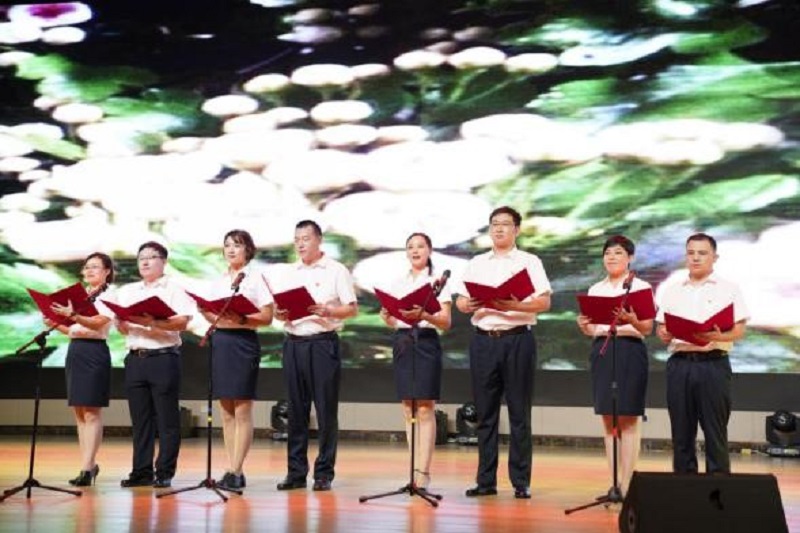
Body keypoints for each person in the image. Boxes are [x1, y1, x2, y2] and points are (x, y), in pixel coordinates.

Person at [455, 206, 552, 500]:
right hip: (484, 340)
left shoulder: (529, 261)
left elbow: (544, 302)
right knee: (485, 413)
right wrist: (466, 304)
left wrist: (513, 305)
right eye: (494, 224)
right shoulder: (476, 262)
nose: (498, 229)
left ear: (517, 230)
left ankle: (521, 481)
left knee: (519, 412)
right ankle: (485, 481)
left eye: (505, 224)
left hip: (517, 339)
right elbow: (460, 301)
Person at [271, 220, 357, 492]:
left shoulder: (336, 270)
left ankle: (323, 473)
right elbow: (278, 311)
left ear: (319, 240)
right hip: (294, 342)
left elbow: (351, 308)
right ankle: (295, 472)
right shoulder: (288, 272)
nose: (300, 244)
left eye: (306, 238)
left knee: (325, 410)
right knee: (296, 410)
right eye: (297, 239)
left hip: (322, 344)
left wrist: (329, 311)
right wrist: (279, 313)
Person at [656, 233, 748, 474]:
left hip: (713, 364)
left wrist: (718, 336)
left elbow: (739, 330)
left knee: (715, 433)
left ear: (714, 257)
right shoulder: (672, 289)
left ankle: (718, 491)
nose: (696, 258)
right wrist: (663, 333)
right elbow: (661, 328)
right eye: (691, 253)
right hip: (680, 364)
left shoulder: (729, 289)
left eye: (702, 253)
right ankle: (684, 490)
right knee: (681, 433)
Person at [197, 230, 273, 491]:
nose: (231, 250)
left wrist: (242, 319)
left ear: (248, 250)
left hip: (243, 342)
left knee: (242, 409)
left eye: (237, 245)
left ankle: (237, 470)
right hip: (221, 342)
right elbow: (217, 318)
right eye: (227, 245)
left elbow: (267, 317)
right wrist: (205, 311)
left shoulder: (256, 277)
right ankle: (231, 468)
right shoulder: (219, 280)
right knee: (226, 411)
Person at [576, 235, 652, 496]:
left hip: (630, 349)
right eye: (607, 253)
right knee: (608, 418)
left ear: (630, 258)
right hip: (603, 349)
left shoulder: (640, 287)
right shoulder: (596, 288)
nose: (611, 257)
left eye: (618, 252)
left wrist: (631, 319)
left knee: (628, 418)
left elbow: (647, 328)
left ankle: (629, 483)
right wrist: (585, 327)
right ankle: (614, 484)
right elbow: (593, 329)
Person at [115, 241, 194, 489]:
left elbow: (182, 322)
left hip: (163, 358)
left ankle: (164, 472)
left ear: (164, 262)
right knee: (141, 420)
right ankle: (141, 471)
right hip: (135, 358)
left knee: (167, 419)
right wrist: (121, 323)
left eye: (151, 257)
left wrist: (152, 323)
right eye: (141, 258)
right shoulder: (128, 291)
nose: (145, 262)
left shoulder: (175, 289)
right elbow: (122, 327)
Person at [378, 232, 452, 491]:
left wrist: (424, 315)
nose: (415, 250)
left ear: (429, 250)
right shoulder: (397, 282)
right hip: (403, 341)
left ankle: (423, 472)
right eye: (410, 247)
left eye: (420, 246)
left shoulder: (437, 282)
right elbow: (393, 321)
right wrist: (387, 316)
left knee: (424, 408)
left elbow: (445, 322)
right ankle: (412, 472)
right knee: (407, 408)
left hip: (426, 341)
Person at [48, 252, 115, 487]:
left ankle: (87, 468)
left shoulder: (110, 295)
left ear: (107, 271)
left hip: (95, 352)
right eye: (87, 267)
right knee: (79, 413)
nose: (89, 271)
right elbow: (73, 330)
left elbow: (98, 323)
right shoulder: (80, 296)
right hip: (76, 350)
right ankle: (87, 464)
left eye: (95, 267)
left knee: (91, 412)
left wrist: (74, 315)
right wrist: (54, 323)